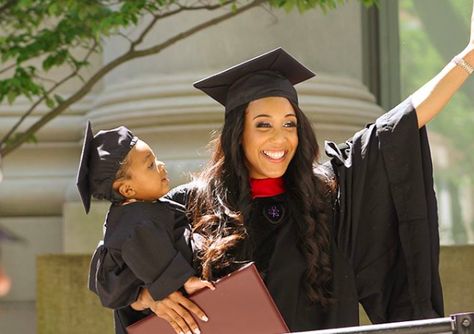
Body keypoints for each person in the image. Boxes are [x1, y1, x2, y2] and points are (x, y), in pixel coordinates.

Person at [104, 3, 474, 333]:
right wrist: (148, 296)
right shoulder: (191, 206)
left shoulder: (329, 196)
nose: (280, 138)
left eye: (290, 123)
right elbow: (110, 269)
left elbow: (396, 129)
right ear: (238, 135)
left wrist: (466, 60)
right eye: (263, 125)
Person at [76, 122, 213, 334]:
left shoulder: (146, 209)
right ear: (128, 189)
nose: (162, 165)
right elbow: (153, 254)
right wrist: (188, 281)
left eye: (156, 159)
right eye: (150, 165)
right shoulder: (135, 220)